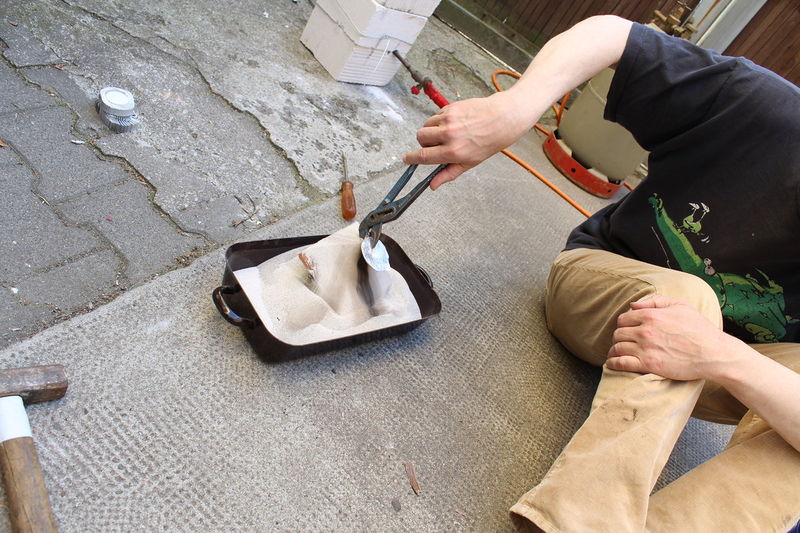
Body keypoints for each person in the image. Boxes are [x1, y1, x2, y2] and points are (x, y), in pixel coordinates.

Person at [403, 15, 800, 532]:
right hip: (600, 290)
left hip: (717, 370)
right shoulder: (769, 114)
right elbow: (614, 35)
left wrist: (720, 355)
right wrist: (515, 109)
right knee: (691, 299)